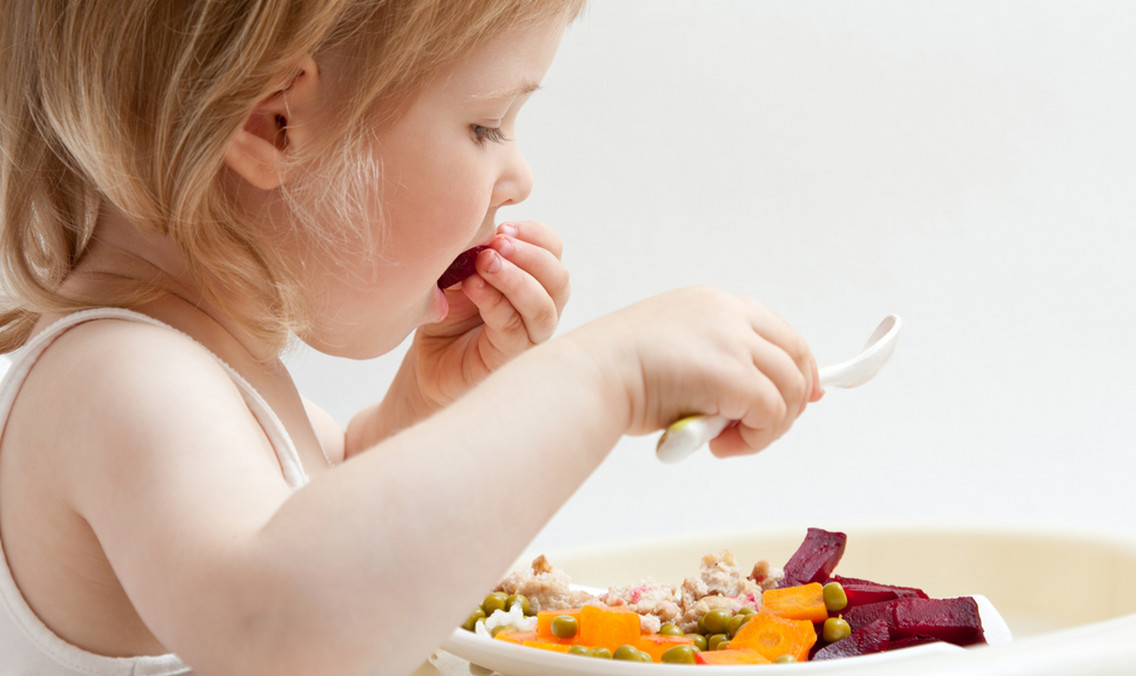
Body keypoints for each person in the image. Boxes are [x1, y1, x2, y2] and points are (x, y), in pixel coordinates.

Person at [0, 1, 822, 674]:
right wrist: (607, 376)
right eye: (486, 125)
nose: (519, 175)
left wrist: (419, 412)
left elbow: (341, 540)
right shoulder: (119, 380)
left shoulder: (202, 385)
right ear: (275, 122)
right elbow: (282, 627)